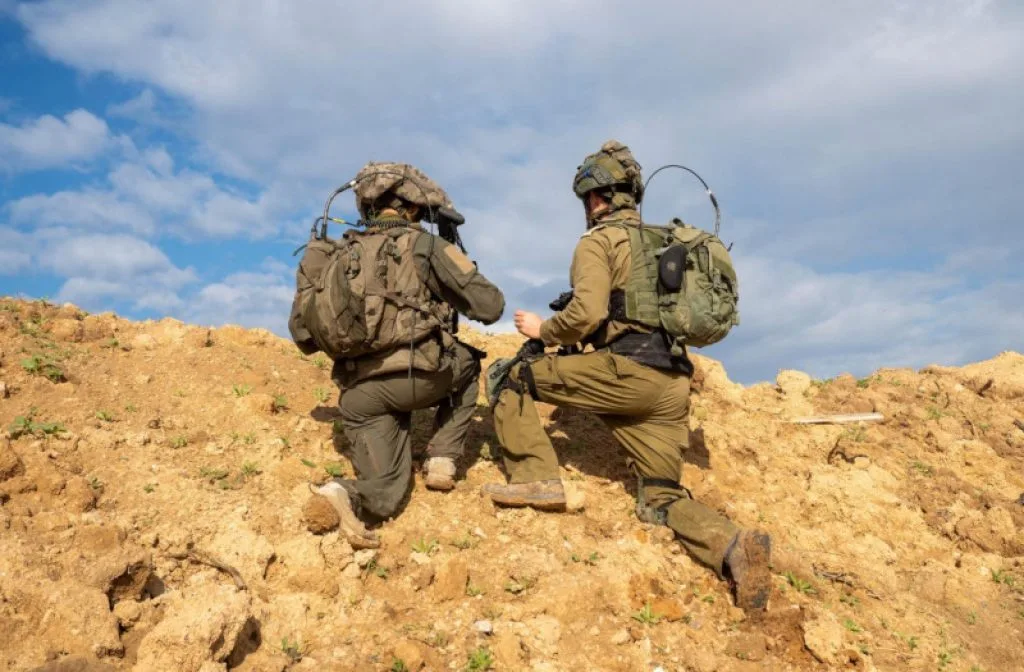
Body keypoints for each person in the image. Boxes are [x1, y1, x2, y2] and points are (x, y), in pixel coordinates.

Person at [481, 141, 772, 611]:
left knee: (510, 375)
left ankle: (536, 478)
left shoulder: (597, 241)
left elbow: (587, 311)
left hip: (627, 373)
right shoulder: (666, 242)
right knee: (659, 496)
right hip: (673, 385)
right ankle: (732, 546)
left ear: (595, 199)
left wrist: (544, 329)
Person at [309, 162, 504, 549]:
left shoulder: (337, 254)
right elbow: (490, 305)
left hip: (359, 396)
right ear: (413, 209)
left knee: (386, 492)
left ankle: (341, 493)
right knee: (468, 363)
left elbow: (304, 332)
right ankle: (443, 459)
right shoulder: (424, 245)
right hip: (419, 377)